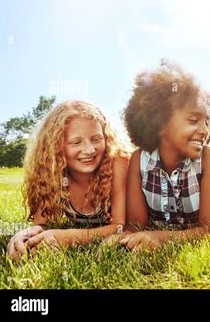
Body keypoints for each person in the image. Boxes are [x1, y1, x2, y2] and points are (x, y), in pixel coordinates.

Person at [112, 59, 210, 252]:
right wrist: (121, 240)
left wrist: (159, 238)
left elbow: (209, 230)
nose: (204, 130)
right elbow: (137, 226)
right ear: (160, 123)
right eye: (193, 120)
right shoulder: (139, 161)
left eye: (206, 122)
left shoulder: (208, 158)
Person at [7, 100, 129, 260]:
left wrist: (69, 236)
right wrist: (24, 236)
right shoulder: (52, 172)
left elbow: (119, 227)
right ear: (56, 146)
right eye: (76, 142)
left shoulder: (118, 163)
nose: (89, 150)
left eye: (96, 139)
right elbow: (40, 224)